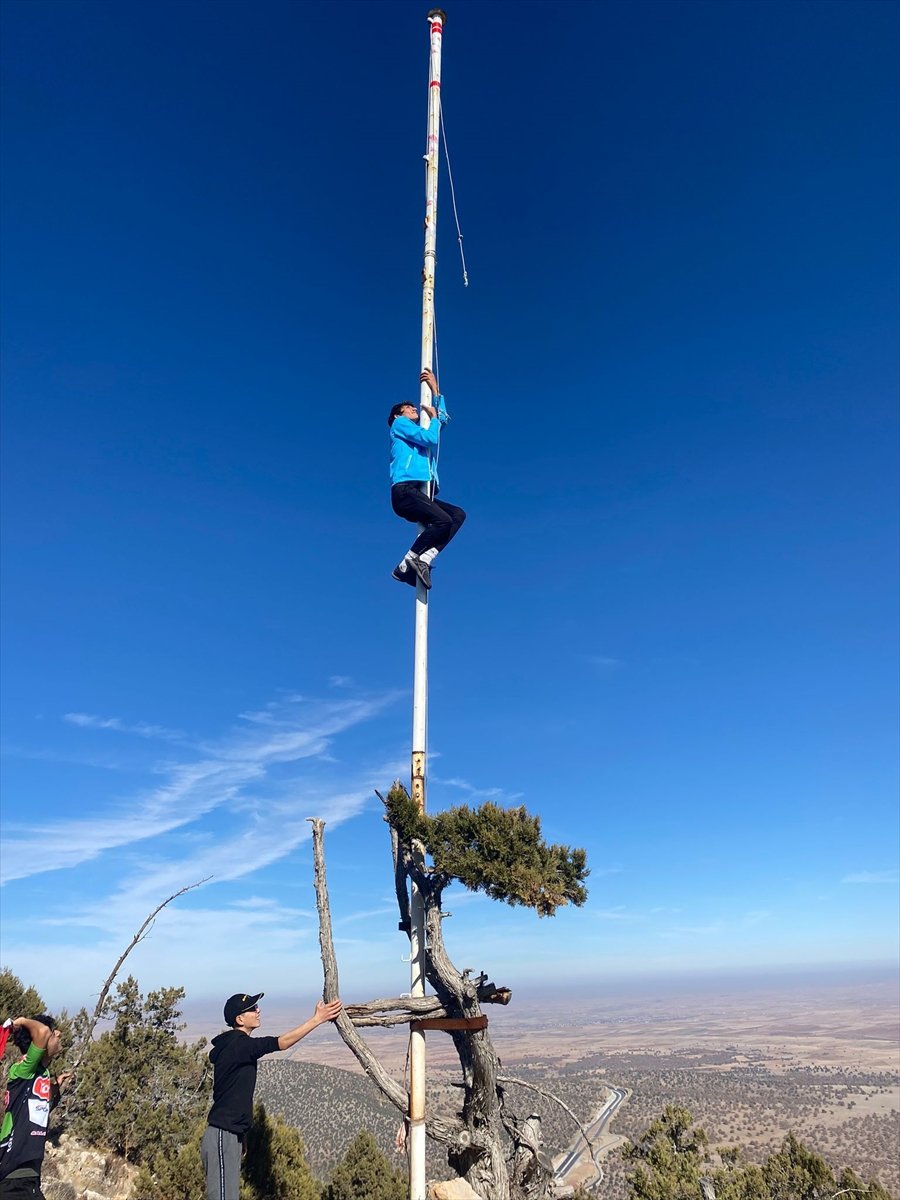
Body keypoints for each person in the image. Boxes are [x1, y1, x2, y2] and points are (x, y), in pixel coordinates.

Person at [201, 990, 342, 1200]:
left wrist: (242, 1134)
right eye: (252, 1009)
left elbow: (232, 1095)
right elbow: (282, 1042)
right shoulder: (238, 1045)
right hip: (223, 1135)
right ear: (240, 1019)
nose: (258, 1011)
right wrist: (317, 1019)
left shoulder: (234, 1045)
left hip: (229, 1134)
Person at [388, 368, 466, 589]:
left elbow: (442, 421)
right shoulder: (399, 425)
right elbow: (431, 437)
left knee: (457, 515)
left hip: (422, 493)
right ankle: (405, 564)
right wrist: (432, 419)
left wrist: (436, 391)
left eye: (414, 406)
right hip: (405, 491)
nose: (414, 407)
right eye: (408, 407)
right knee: (443, 520)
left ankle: (424, 558)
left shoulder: (416, 431)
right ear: (397, 414)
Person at [0, 1016, 70, 1200]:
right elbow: (42, 1032)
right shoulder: (23, 1069)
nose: (58, 1034)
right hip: (13, 1176)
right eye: (53, 1032)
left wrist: (54, 1089)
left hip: (28, 1177)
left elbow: (35, 1106)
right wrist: (22, 1021)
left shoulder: (39, 1073)